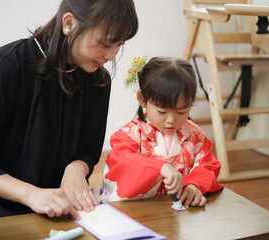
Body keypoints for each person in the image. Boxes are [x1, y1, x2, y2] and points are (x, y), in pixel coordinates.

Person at [0, 0, 138, 223]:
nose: (111, 55)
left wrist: (76, 168)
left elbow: (87, 151)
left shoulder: (98, 81)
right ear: (69, 23)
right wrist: (31, 195)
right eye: (105, 44)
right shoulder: (6, 66)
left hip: (57, 205)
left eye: (119, 45)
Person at [96, 57, 224, 208]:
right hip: (138, 211)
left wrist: (194, 185)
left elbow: (207, 166)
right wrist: (161, 167)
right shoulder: (129, 134)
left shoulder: (195, 135)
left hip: (178, 212)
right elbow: (123, 161)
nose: (171, 120)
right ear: (142, 99)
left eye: (182, 111)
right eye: (162, 111)